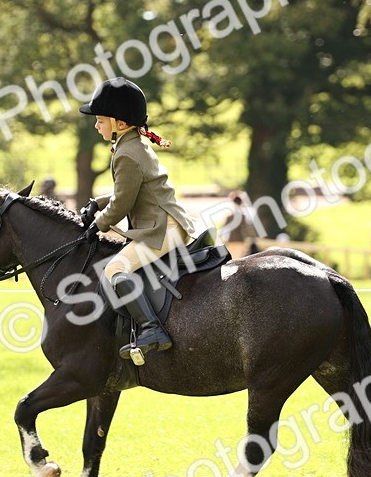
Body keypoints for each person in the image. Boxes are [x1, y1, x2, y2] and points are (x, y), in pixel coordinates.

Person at [78, 77, 199, 360]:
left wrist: (99, 224)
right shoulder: (133, 144)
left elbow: (122, 203)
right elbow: (126, 190)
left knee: (115, 269)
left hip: (161, 229)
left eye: (100, 120)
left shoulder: (127, 154)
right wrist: (97, 203)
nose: (96, 125)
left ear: (120, 123)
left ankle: (152, 328)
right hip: (168, 222)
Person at [220, 191, 259, 259]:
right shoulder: (243, 216)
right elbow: (247, 229)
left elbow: (224, 231)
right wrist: (252, 236)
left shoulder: (230, 216)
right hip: (240, 241)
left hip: (232, 241)